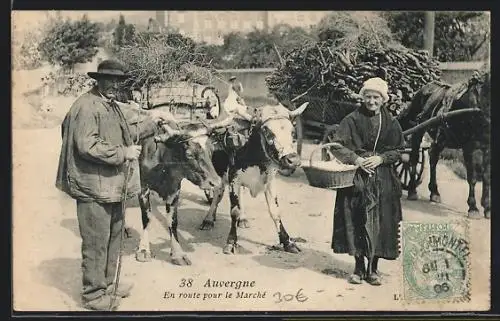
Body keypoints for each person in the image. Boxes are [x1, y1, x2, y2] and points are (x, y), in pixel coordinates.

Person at [55, 60, 175, 311]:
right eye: (109, 80)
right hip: (92, 186)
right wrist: (124, 153)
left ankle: (108, 285)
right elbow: (86, 146)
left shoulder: (109, 105)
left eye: (118, 81)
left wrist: (154, 122)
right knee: (96, 242)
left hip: (111, 187)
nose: (114, 85)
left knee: (113, 237)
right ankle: (93, 295)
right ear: (97, 80)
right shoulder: (87, 107)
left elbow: (125, 133)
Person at [329, 77, 405, 286]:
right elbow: (337, 146)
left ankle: (373, 269)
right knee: (355, 219)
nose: (372, 101)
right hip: (357, 178)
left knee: (381, 222)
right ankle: (358, 267)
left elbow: (398, 150)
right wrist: (357, 159)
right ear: (362, 98)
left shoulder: (391, 122)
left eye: (376, 97)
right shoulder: (351, 120)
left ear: (383, 99)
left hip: (383, 179)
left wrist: (381, 158)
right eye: (368, 97)